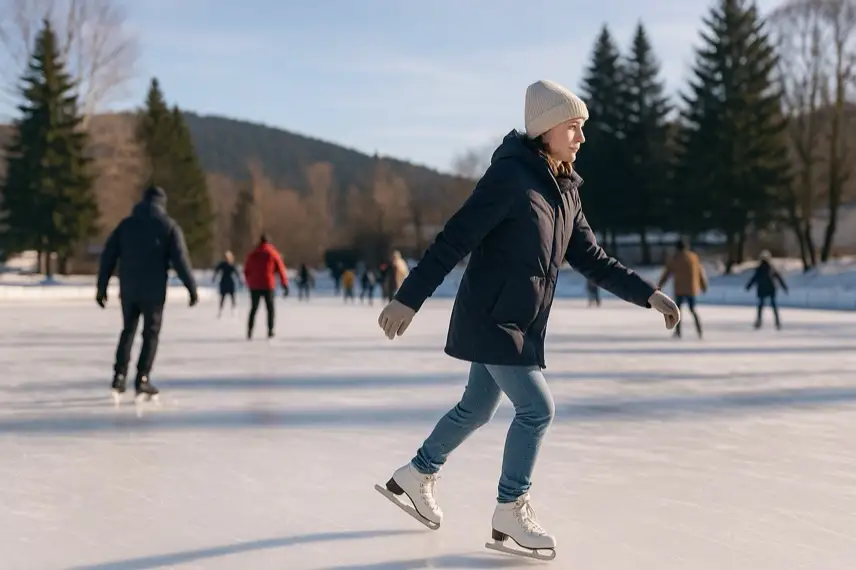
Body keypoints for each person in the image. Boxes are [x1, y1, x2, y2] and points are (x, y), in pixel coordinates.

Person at [374, 79, 680, 559]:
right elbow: (454, 239)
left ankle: (415, 474)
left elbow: (592, 258)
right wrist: (408, 298)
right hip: (494, 320)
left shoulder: (565, 191)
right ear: (546, 129)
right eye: (574, 128)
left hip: (517, 321)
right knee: (537, 409)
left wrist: (649, 295)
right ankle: (509, 511)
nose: (582, 138)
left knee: (476, 408)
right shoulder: (511, 179)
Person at [96, 185, 198, 400]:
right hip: (154, 291)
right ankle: (142, 378)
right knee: (150, 334)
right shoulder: (168, 227)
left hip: (129, 289)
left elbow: (108, 256)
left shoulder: (126, 225)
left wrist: (101, 286)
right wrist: (191, 287)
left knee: (128, 330)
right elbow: (181, 260)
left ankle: (119, 376)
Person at [657, 239, 708, 338]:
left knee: (677, 310)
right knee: (693, 310)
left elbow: (667, 273)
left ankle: (678, 331)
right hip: (691, 289)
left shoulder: (675, 258)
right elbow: (700, 272)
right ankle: (699, 330)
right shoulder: (693, 257)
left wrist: (659, 285)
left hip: (679, 289)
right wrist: (703, 285)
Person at [243, 234, 289, 339]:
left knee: (253, 308)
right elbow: (281, 269)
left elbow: (246, 270)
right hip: (268, 284)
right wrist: (284, 284)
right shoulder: (273, 253)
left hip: (254, 285)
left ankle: (249, 331)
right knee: (270, 308)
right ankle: (270, 330)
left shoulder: (253, 254)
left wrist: (249, 282)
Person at [745, 250, 788, 329]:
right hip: (771, 289)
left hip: (762, 289)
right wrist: (784, 287)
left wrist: (748, 286)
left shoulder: (759, 269)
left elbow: (754, 278)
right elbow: (779, 277)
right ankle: (777, 322)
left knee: (761, 306)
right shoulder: (771, 268)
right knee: (773, 305)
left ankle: (759, 322)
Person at [213, 250, 241, 317]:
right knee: (223, 297)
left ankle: (234, 311)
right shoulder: (222, 264)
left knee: (232, 297)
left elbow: (237, 273)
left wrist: (240, 281)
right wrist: (214, 277)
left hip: (230, 282)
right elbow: (216, 270)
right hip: (224, 282)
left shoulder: (232, 265)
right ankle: (220, 311)